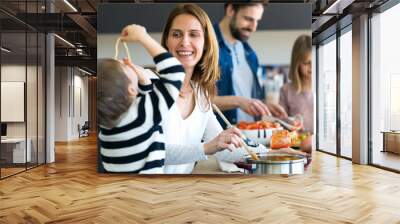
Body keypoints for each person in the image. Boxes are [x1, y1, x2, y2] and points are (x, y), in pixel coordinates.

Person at [159, 3, 269, 174]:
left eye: (194, 35)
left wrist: (275, 154)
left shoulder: (201, 94)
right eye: (176, 34)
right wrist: (205, 148)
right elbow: (148, 150)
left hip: (179, 192)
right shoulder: (149, 85)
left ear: (205, 44)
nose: (184, 42)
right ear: (167, 41)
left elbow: (224, 147)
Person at [97, 24, 186, 174]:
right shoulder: (142, 116)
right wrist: (143, 37)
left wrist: (144, 81)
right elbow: (175, 73)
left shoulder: (107, 124)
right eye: (124, 68)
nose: (127, 64)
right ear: (131, 90)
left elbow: (139, 105)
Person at [212, 2, 287, 126]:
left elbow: (247, 97)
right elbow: (196, 101)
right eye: (248, 19)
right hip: (222, 138)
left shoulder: (250, 54)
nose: (253, 27)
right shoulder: (205, 46)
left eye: (257, 21)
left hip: (250, 138)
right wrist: (238, 101)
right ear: (230, 10)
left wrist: (263, 105)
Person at [279, 35, 313, 134]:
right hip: (296, 143)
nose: (312, 66)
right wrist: (289, 123)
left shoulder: (327, 89)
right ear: (297, 64)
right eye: (306, 62)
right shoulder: (286, 90)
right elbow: (281, 122)